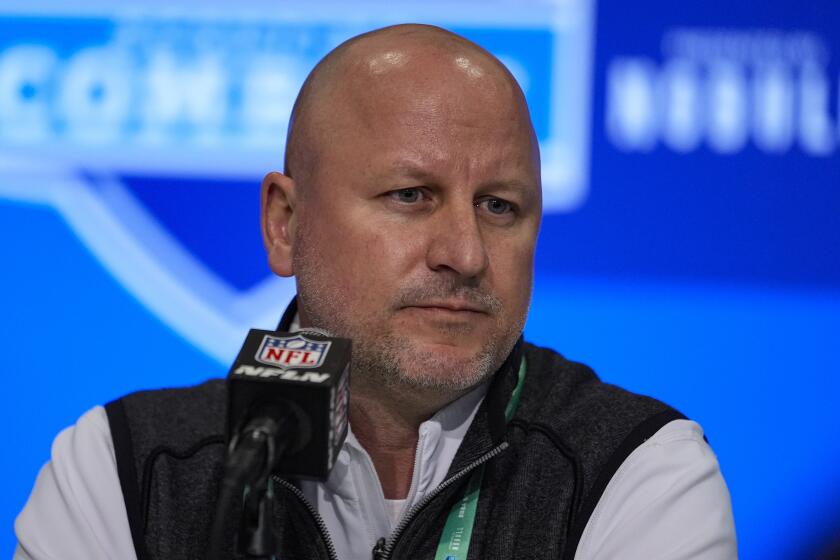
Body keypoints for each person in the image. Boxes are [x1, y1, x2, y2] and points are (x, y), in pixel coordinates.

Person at [15, 24, 737, 559]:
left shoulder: (638, 472)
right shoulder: (123, 472)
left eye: (500, 207)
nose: (464, 253)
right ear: (285, 224)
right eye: (411, 195)